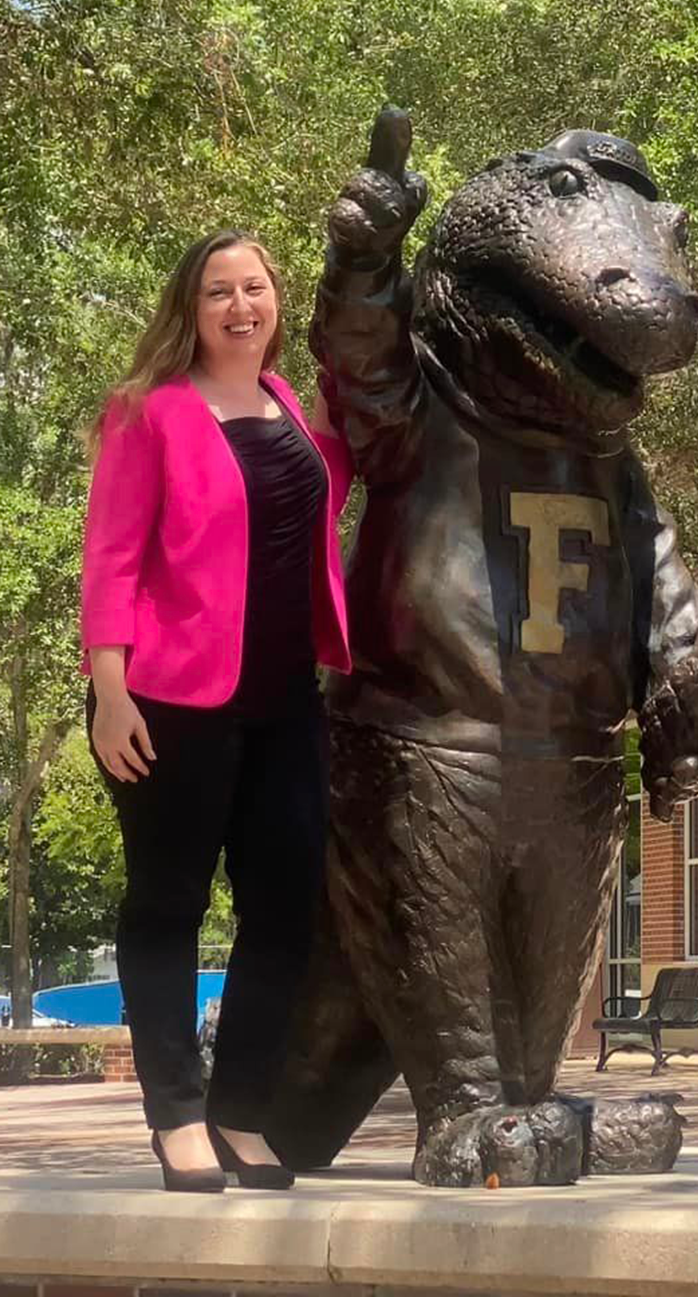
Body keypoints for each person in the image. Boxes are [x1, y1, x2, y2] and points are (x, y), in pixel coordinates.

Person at [81, 230, 352, 1192]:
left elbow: (319, 500)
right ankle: (177, 1116)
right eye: (218, 293)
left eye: (256, 288)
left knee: (284, 907)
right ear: (188, 310)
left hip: (284, 700)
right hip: (165, 700)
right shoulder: (145, 413)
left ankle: (241, 1109)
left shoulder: (288, 406)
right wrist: (109, 695)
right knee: (169, 905)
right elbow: (111, 556)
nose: (242, 306)